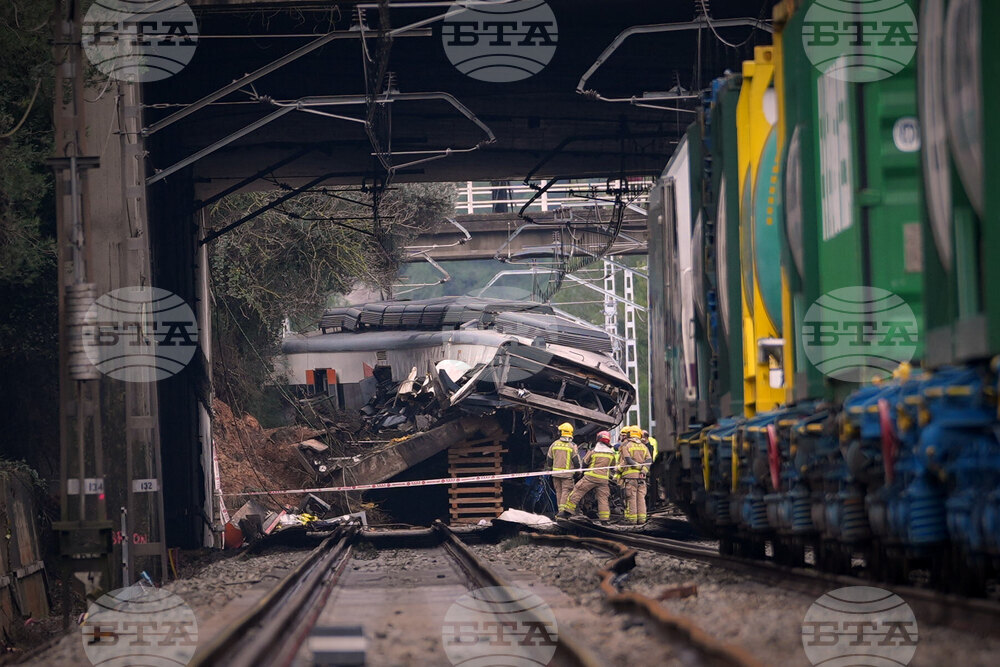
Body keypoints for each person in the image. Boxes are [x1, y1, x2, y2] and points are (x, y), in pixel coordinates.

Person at [558, 430, 616, 523]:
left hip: (591, 477)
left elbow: (584, 462)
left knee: (577, 490)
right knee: (603, 499)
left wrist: (582, 473)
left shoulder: (593, 451)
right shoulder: (611, 454)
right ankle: (604, 520)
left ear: (598, 439)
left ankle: (567, 512)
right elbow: (613, 466)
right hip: (603, 480)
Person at [619, 426, 651, 524]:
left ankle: (632, 520)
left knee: (631, 498)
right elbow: (649, 460)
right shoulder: (644, 446)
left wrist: (637, 467)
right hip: (642, 478)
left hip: (630, 477)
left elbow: (628, 460)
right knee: (641, 498)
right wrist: (643, 471)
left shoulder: (626, 445)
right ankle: (642, 520)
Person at [546, 422, 582, 510]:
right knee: (566, 492)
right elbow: (576, 462)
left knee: (559, 492)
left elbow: (549, 460)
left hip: (555, 474)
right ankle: (562, 512)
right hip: (567, 475)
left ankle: (559, 512)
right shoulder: (571, 446)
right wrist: (578, 472)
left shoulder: (554, 444)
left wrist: (550, 469)